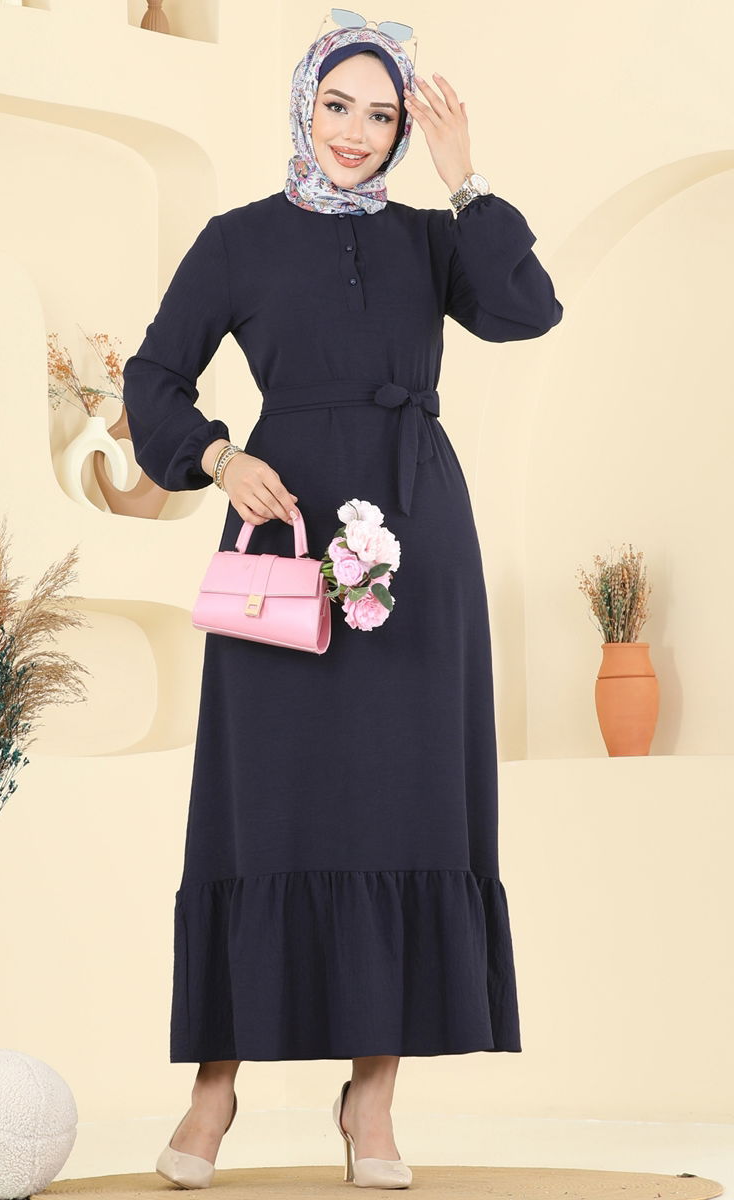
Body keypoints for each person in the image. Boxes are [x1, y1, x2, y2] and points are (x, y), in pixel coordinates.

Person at [123, 19, 563, 1192]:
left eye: (383, 115)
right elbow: (152, 377)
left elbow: (528, 309)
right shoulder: (236, 240)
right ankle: (213, 1089)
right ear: (303, 106)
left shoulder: (432, 238)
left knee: (404, 805)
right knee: (259, 805)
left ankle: (372, 1098)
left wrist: (466, 178)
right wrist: (218, 458)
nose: (358, 132)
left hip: (416, 544)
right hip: (283, 539)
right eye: (338, 106)